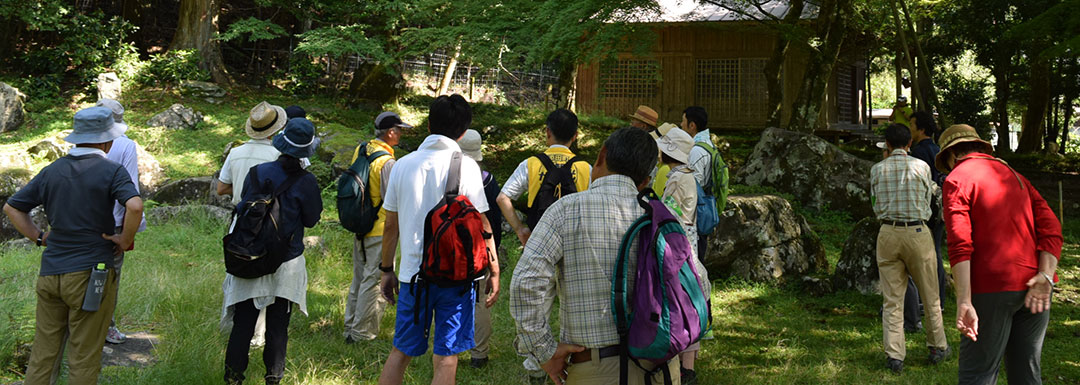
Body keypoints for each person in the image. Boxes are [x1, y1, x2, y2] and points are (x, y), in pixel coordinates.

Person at [511, 127, 682, 385]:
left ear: (601, 156)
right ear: (646, 180)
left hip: (595, 368)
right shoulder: (662, 217)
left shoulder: (565, 212)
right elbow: (698, 285)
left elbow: (525, 284)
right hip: (661, 367)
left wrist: (544, 351)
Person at [3, 106, 143, 385]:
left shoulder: (51, 171)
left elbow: (12, 208)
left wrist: (40, 237)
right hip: (90, 275)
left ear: (76, 138)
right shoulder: (111, 171)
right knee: (83, 354)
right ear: (107, 140)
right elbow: (135, 205)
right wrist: (124, 240)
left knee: (44, 352)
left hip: (51, 273)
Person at [376, 94, 500, 385]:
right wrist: (493, 269)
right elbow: (482, 224)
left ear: (429, 124)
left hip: (413, 277)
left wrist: (386, 270)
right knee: (447, 357)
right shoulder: (467, 167)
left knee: (401, 351)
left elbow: (391, 225)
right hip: (456, 278)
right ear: (463, 132)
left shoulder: (402, 165)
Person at [936, 124, 1062, 385]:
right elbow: (1052, 227)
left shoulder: (957, 178)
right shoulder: (1014, 175)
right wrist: (1046, 275)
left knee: (978, 374)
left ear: (951, 156)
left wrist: (964, 301)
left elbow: (960, 242)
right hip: (1035, 286)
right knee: (1026, 375)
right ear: (980, 147)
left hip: (990, 289)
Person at [223, 118, 323, 385]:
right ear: (307, 150)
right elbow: (312, 219)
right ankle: (273, 379)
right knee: (278, 327)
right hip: (286, 260)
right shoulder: (307, 181)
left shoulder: (257, 172)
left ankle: (233, 379)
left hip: (251, 254)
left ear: (281, 140)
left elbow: (244, 205)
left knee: (243, 324)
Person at [870, 123, 949, 374]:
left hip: (888, 232)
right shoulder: (922, 167)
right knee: (930, 294)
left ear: (888, 144)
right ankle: (937, 346)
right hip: (917, 231)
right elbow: (929, 199)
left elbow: (874, 202)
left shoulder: (877, 170)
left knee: (892, 298)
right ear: (909, 144)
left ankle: (895, 355)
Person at [217, 101, 288, 348]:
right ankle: (259, 331)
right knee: (265, 275)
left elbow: (221, 187)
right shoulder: (278, 156)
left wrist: (242, 190)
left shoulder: (236, 153)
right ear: (274, 130)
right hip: (269, 221)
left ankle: (232, 321)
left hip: (239, 221)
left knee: (237, 270)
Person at [343, 111, 408, 343]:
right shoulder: (387, 162)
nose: (401, 134)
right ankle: (362, 334)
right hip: (380, 229)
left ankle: (350, 327)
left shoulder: (361, 150)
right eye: (400, 130)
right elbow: (392, 202)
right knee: (373, 282)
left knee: (359, 278)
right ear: (390, 133)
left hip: (360, 224)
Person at [655, 126, 709, 384]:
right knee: (689, 297)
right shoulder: (687, 175)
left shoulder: (677, 178)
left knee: (679, 299)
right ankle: (687, 366)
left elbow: (669, 213)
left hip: (678, 244)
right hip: (688, 240)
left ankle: (684, 368)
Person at [495, 108, 591, 246]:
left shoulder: (530, 164)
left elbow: (502, 198)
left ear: (548, 132)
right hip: (574, 242)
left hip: (539, 241)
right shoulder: (585, 168)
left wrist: (520, 229)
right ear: (575, 136)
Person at [94, 98, 147, 345]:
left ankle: (82, 326)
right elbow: (132, 191)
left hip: (84, 219)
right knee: (110, 275)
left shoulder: (80, 144)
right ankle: (107, 326)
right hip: (114, 222)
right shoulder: (125, 145)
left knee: (83, 272)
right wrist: (129, 232)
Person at [897, 110, 947, 333]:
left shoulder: (918, 153)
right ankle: (940, 300)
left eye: (912, 124)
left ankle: (921, 303)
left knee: (922, 259)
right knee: (935, 254)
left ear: (922, 129)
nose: (910, 128)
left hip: (925, 212)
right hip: (941, 209)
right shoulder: (937, 150)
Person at [458, 129, 504, 369]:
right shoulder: (487, 179)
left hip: (451, 248)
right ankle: (479, 354)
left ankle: (450, 350)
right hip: (480, 249)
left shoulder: (448, 175)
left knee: (452, 297)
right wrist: (493, 251)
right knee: (480, 300)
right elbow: (494, 219)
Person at [681, 106, 712, 259]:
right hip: (702, 207)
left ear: (692, 125)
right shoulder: (707, 144)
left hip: (696, 213)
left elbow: (693, 185)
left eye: (683, 121)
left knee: (696, 257)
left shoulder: (697, 151)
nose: (681, 125)